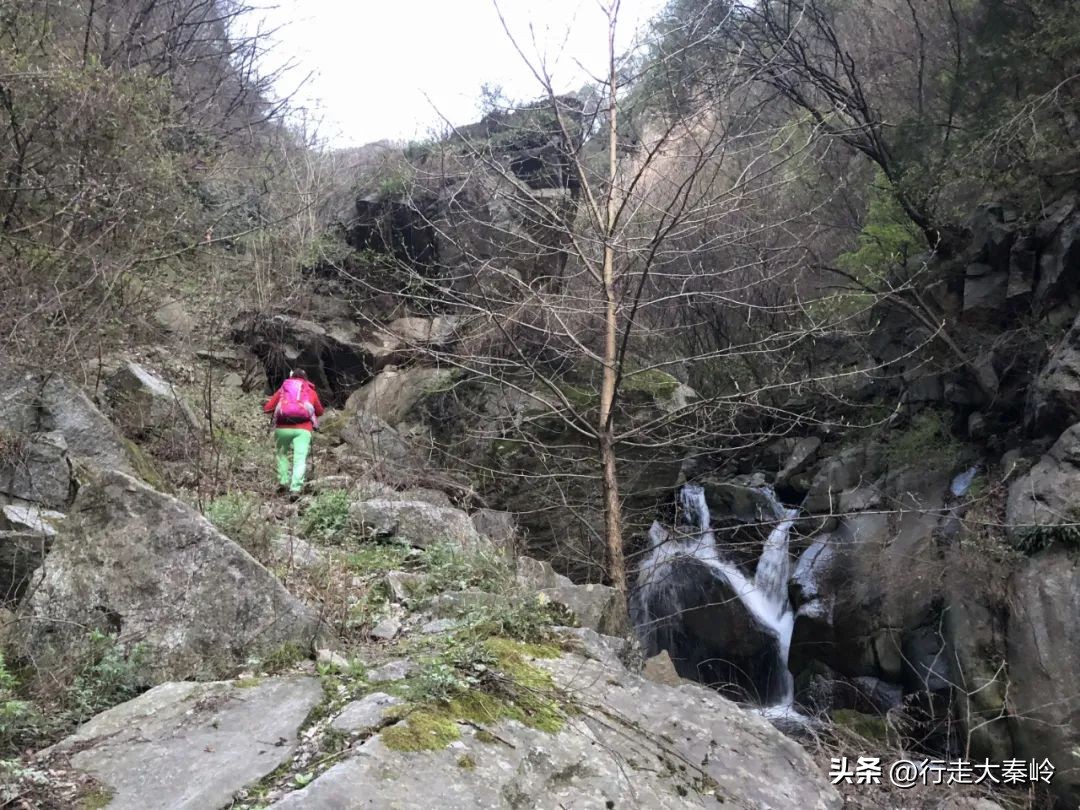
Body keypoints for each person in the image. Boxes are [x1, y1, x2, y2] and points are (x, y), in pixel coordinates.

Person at [263, 369, 324, 499]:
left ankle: (283, 482)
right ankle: (295, 489)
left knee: (282, 455)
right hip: (303, 429)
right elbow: (319, 412)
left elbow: (268, 408)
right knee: (300, 459)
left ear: (291, 377)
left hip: (282, 428)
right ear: (305, 378)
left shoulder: (283, 389)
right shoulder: (310, 391)